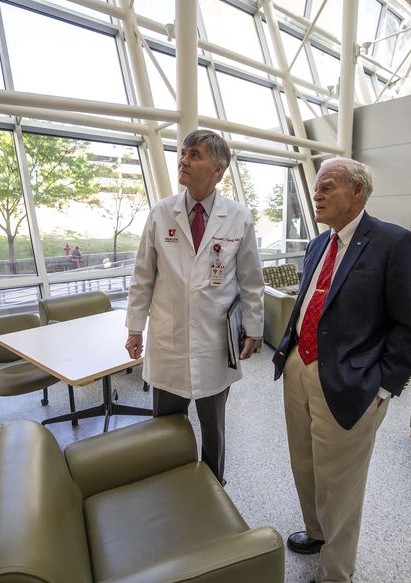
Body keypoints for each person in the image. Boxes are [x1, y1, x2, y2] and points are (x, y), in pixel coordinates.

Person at [272, 157, 411, 583]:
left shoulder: (395, 243)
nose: (317, 193)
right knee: (304, 464)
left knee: (340, 483)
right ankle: (318, 532)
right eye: (316, 186)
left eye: (328, 185)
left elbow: (410, 326)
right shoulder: (319, 244)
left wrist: (383, 388)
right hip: (299, 370)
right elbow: (308, 302)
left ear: (358, 191)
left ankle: (335, 572)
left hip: (352, 382)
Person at [125, 129, 264, 485]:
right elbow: (143, 276)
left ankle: (214, 486)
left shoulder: (238, 217)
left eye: (194, 155)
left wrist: (255, 329)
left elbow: (251, 281)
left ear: (218, 169)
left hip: (215, 342)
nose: (183, 160)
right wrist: (135, 327)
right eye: (183, 153)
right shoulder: (160, 214)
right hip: (168, 339)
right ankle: (170, 484)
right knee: (167, 426)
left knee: (213, 428)